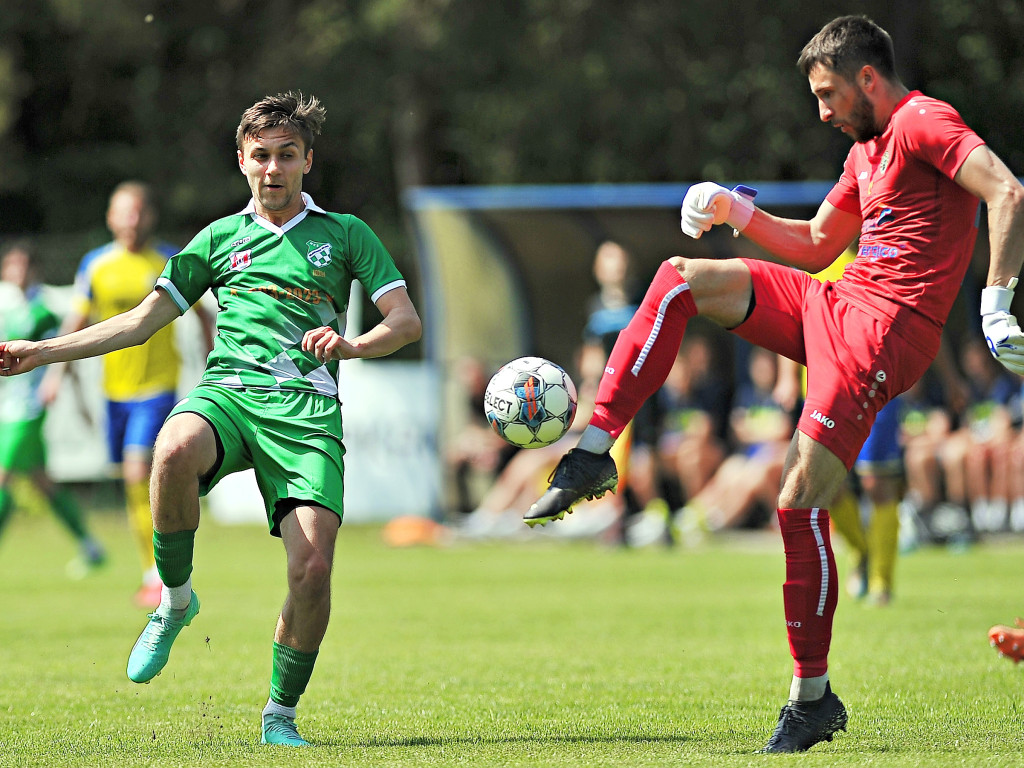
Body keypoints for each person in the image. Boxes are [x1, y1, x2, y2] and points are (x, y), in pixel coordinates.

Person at [523, 15, 1024, 753]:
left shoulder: (923, 121)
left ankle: (810, 697)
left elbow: (1007, 190)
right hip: (838, 300)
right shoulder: (869, 148)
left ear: (868, 80)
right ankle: (594, 449)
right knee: (678, 281)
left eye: (827, 95)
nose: (821, 112)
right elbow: (820, 243)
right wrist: (736, 208)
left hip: (883, 335)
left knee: (797, 506)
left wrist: (996, 302)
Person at [0, 91, 422, 747]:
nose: (273, 168)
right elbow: (142, 322)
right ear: (242, 161)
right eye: (261, 156)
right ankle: (174, 600)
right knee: (170, 449)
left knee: (312, 572)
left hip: (307, 417)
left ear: (308, 159)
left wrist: (353, 345)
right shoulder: (220, 239)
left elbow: (405, 322)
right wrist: (40, 353)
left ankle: (280, 716)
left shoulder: (346, 234)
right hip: (228, 395)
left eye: (287, 155)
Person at [39, 181, 213, 608]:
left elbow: (206, 313)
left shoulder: (169, 258)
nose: (131, 220)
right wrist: (53, 371)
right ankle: (152, 566)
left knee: (138, 472)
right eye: (123, 212)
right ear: (110, 218)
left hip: (157, 389)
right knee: (133, 481)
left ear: (149, 216)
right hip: (114, 392)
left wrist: (213, 359)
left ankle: (158, 575)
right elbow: (77, 322)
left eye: (138, 212)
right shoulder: (95, 265)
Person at [0, 242, 105, 575]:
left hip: (29, 408)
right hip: (8, 408)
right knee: (42, 482)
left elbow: (57, 356)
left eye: (22, 266)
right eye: (11, 266)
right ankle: (90, 546)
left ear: (33, 271)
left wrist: (67, 390)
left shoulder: (43, 313)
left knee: (3, 478)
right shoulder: (8, 309)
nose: (16, 273)